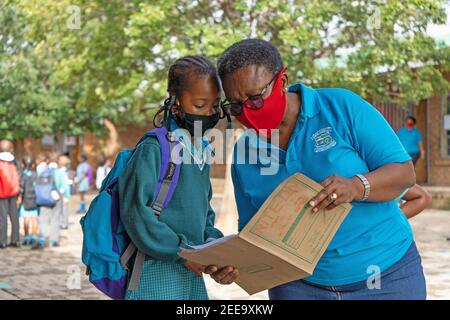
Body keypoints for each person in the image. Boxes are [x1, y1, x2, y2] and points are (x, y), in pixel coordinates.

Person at [218, 39, 425, 299]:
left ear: (282, 81)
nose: (247, 112)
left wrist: (356, 186)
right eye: (236, 106)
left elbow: (404, 173)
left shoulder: (341, 107)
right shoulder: (245, 152)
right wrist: (235, 265)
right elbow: (254, 234)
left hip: (386, 277)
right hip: (297, 287)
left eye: (255, 99)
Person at [118, 56, 237, 300]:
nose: (209, 113)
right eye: (199, 105)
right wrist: (180, 251)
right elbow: (136, 213)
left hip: (191, 276)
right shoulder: (153, 149)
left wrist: (218, 251)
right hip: (156, 274)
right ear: (175, 105)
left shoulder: (202, 152)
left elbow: (204, 216)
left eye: (215, 106)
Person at [0, 140, 21, 249]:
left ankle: (2, 241)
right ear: (10, 148)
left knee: (2, 218)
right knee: (15, 217)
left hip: (1, 194)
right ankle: (15, 240)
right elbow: (19, 177)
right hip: (14, 192)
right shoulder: (15, 162)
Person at [18, 156, 39, 246]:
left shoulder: (23, 175)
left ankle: (26, 237)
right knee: (34, 219)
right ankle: (34, 237)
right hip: (35, 199)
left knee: (26, 219)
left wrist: (19, 198)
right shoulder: (35, 174)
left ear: (23, 165)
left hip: (26, 200)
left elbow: (21, 188)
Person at [54, 155, 71, 230]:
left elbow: (64, 184)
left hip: (62, 192)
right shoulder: (61, 170)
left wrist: (65, 194)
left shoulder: (62, 171)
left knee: (63, 208)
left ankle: (64, 223)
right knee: (62, 208)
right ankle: (62, 222)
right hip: (60, 191)